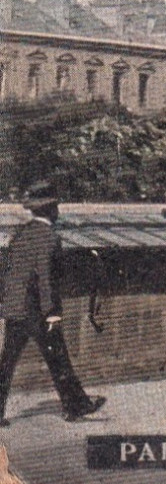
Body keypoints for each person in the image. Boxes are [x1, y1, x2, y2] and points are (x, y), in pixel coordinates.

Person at [0, 182, 105, 426]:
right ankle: (75, 407)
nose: (58, 211)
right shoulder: (49, 238)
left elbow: (9, 273)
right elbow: (45, 278)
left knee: (6, 363)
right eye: (55, 207)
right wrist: (52, 313)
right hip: (38, 311)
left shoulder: (20, 235)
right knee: (59, 359)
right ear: (50, 210)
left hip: (15, 310)